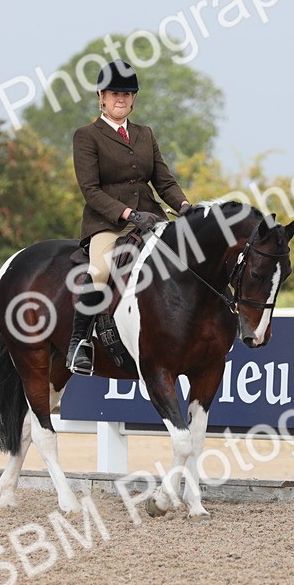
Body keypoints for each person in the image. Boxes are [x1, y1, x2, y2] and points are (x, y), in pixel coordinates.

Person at [66, 59, 191, 375]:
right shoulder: (86, 136)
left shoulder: (145, 134)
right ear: (102, 97)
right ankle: (79, 344)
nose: (120, 99)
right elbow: (90, 189)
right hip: (108, 223)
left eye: (127, 93)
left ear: (133, 99)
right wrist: (127, 213)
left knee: (187, 260)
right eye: (114, 93)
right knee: (99, 271)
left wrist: (187, 206)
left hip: (152, 219)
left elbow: (164, 181)